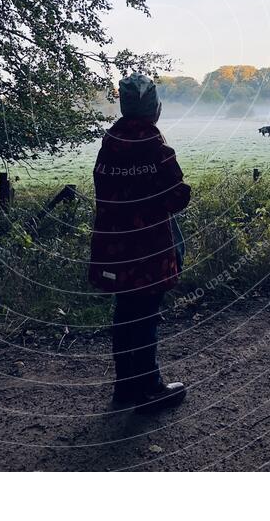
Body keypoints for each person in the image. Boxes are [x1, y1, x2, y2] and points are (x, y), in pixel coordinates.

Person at [89, 73, 191, 412]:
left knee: (124, 314)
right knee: (146, 316)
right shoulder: (156, 148)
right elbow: (175, 198)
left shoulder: (109, 145)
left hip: (114, 249)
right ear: (154, 109)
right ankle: (150, 389)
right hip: (149, 251)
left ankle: (124, 387)